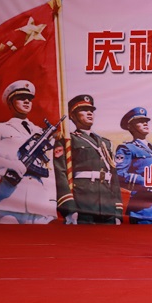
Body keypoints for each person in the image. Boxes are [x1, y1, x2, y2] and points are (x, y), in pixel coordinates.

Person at [0, 80, 62, 224]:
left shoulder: (41, 133)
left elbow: (49, 169)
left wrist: (51, 202)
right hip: (8, 201)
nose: (26, 101)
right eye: (21, 98)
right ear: (10, 104)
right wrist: (7, 166)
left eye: (29, 99)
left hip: (39, 204)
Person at [57, 94, 123, 224]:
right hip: (82, 203)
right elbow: (61, 173)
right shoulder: (68, 140)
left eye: (91, 110)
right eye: (84, 110)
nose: (89, 113)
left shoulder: (105, 143)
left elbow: (114, 178)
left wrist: (118, 211)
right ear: (72, 116)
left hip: (107, 205)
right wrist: (69, 207)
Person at [115, 107, 152, 224]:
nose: (145, 123)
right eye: (140, 121)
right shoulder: (127, 148)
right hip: (143, 211)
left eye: (146, 121)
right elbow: (119, 174)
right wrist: (145, 181)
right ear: (130, 127)